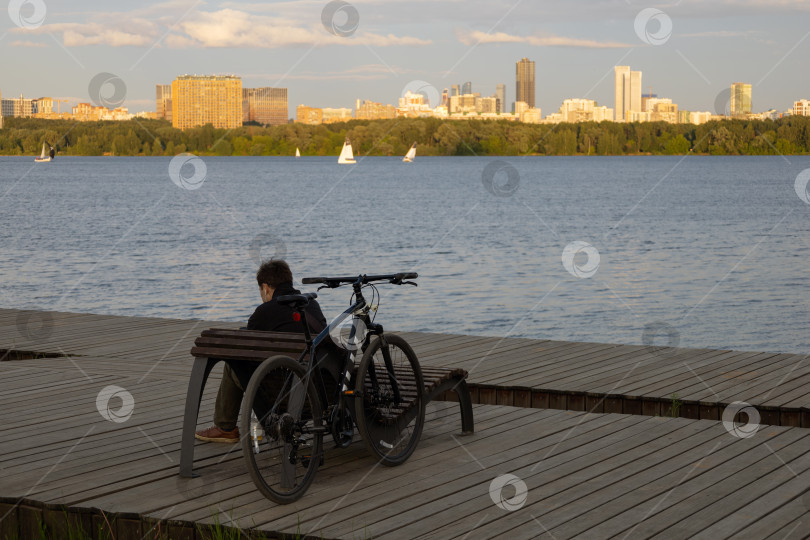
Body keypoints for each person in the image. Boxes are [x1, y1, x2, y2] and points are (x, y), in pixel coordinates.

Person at [195, 259, 327, 443]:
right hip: (323, 392)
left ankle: (225, 427)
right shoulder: (312, 305)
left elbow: (249, 355)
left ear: (265, 287)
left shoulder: (264, 312)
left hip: (284, 396)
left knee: (233, 366)